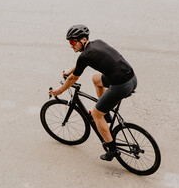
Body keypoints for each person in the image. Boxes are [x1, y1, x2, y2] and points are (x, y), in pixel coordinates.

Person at [49, 24, 137, 161]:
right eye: (69, 42)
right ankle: (106, 114)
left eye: (73, 41)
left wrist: (59, 91)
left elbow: (73, 78)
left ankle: (112, 150)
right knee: (96, 79)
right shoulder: (97, 44)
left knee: (96, 115)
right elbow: (81, 63)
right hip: (131, 79)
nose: (71, 45)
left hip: (121, 85)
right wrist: (70, 70)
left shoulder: (85, 55)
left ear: (83, 40)